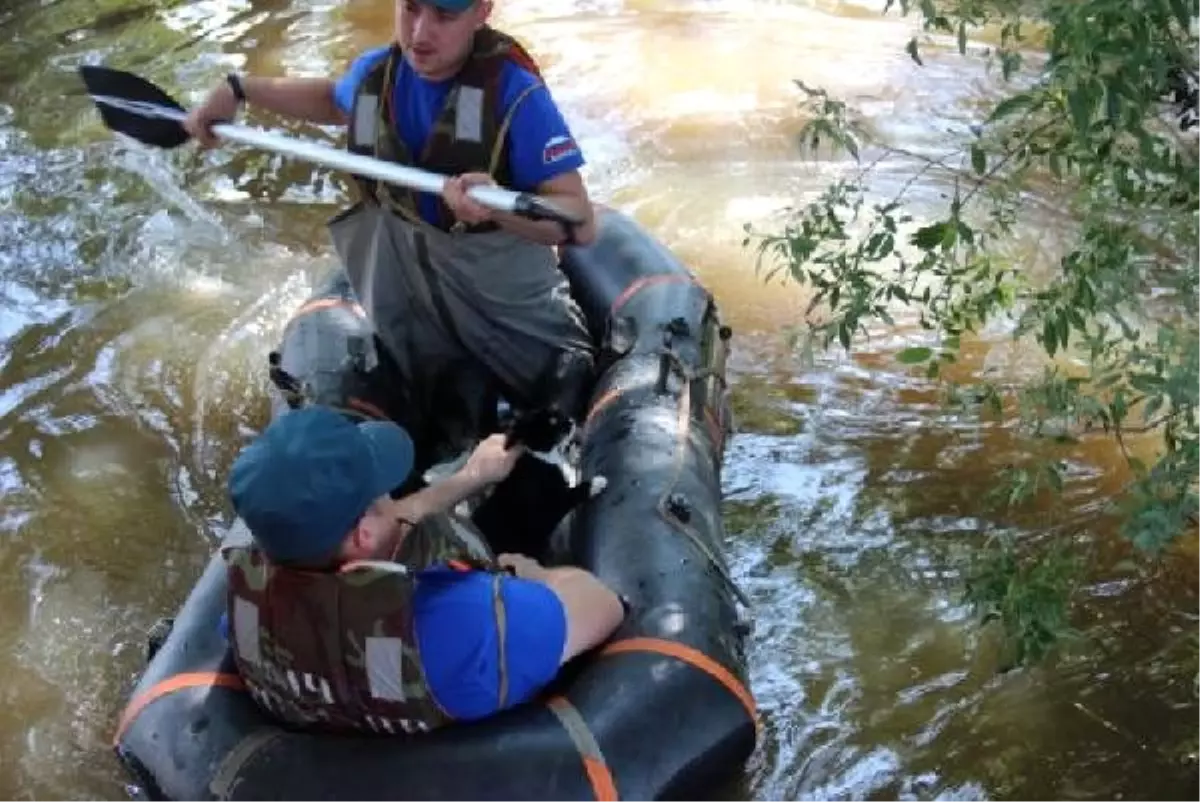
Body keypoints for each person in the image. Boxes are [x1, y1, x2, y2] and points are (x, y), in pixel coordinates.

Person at [184, 0, 599, 466]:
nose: (421, 31)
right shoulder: (375, 76)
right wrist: (239, 89)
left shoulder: (514, 95)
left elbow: (579, 220)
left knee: (561, 416)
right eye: (411, 9)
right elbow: (331, 99)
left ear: (482, 11)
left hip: (504, 305)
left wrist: (498, 208)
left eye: (444, 16)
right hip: (411, 305)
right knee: (426, 412)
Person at [219, 405, 625, 734]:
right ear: (362, 535)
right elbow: (604, 606)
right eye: (383, 491)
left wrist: (471, 477)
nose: (395, 497)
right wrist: (536, 573)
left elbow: (383, 525)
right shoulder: (458, 623)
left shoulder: (243, 609)